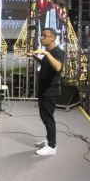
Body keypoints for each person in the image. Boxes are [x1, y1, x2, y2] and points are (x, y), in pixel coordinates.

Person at [27, 28, 65, 156]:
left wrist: (46, 54)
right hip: (44, 90)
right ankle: (49, 140)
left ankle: (52, 146)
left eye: (44, 35)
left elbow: (58, 67)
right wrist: (34, 56)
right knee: (45, 117)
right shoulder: (49, 53)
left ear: (53, 38)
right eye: (41, 35)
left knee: (48, 119)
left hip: (51, 91)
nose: (41, 38)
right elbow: (45, 64)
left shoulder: (58, 52)